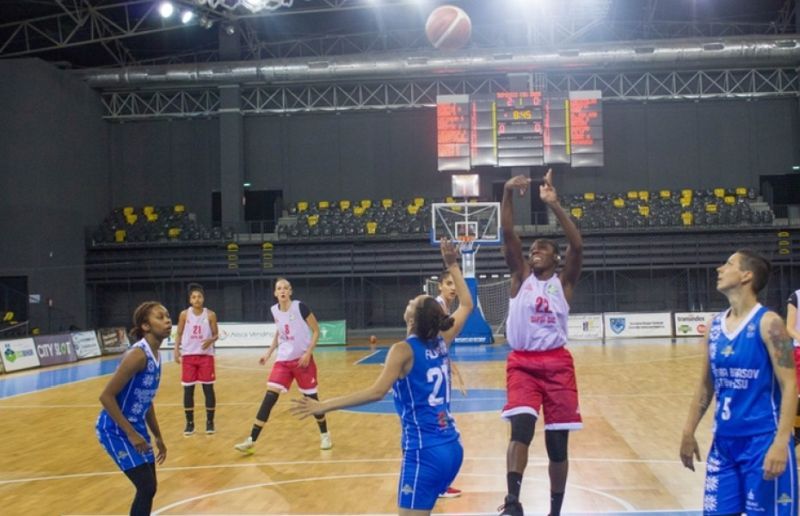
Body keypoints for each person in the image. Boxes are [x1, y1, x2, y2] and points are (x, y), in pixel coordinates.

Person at [290, 239, 472, 516]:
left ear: (413, 318)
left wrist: (323, 405)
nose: (410, 300)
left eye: (414, 301)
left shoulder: (403, 350)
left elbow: (375, 393)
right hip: (452, 447)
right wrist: (453, 265)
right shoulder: (442, 340)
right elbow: (468, 304)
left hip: (424, 451)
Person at [680, 250, 798, 515]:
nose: (719, 269)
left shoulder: (771, 324)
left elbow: (790, 385)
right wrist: (688, 431)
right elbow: (705, 385)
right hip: (723, 444)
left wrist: (781, 442)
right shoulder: (714, 326)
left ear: (747, 275)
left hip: (763, 441)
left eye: (729, 264)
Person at [498, 169, 583, 516]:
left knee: (557, 444)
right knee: (521, 428)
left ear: (555, 259)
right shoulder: (520, 278)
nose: (534, 252)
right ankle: (513, 502)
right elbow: (507, 234)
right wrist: (505, 194)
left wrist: (555, 205)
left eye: (542, 249)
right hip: (523, 363)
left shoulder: (563, 284)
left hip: (558, 364)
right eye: (531, 249)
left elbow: (577, 245)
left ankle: (555, 511)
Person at [234, 278, 332, 453]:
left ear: (291, 291)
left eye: (286, 288)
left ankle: (325, 434)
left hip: (303, 361)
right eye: (279, 288)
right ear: (275, 293)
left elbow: (316, 330)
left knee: (312, 400)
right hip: (283, 360)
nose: (282, 291)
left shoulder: (300, 307)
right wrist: (269, 352)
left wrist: (308, 352)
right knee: (270, 397)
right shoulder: (274, 310)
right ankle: (251, 440)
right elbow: (279, 332)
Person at [96, 301, 170, 516]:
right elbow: (106, 396)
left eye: (167, 316)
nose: (167, 321)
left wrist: (158, 436)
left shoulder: (155, 355)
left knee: (150, 488)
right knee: (146, 486)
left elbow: (147, 400)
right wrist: (131, 433)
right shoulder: (138, 355)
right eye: (160, 317)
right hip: (114, 429)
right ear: (145, 326)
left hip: (136, 428)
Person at [174, 282, 219, 436]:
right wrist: (176, 350)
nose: (197, 299)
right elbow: (179, 333)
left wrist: (211, 340)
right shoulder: (184, 314)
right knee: (188, 390)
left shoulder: (210, 314)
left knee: (208, 389)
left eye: (199, 297)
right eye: (194, 297)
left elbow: (216, 334)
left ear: (203, 299)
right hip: (188, 356)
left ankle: (210, 422)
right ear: (190, 300)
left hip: (206, 357)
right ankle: (190, 423)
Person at [435, 270, 464, 500]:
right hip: (433, 376)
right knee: (441, 429)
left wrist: (454, 369)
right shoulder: (436, 308)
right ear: (439, 287)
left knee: (442, 427)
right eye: (448, 283)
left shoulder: (443, 308)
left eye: (455, 284)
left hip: (440, 372)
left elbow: (440, 346)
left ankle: (440, 483)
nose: (452, 287)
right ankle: (440, 484)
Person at [787, 288, 800, 445]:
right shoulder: (796, 296)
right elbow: (790, 328)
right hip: (799, 352)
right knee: (797, 398)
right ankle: (797, 433)